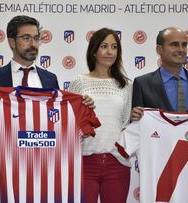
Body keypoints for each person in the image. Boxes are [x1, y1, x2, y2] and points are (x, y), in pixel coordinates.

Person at [0, 15, 94, 185]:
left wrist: (82, 105)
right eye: (26, 38)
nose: (33, 44)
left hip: (44, 167)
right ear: (12, 42)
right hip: (4, 166)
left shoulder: (50, 79)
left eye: (36, 38)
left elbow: (57, 119)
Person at [69, 28, 132, 203]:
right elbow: (69, 122)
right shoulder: (78, 82)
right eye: (104, 46)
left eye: (114, 47)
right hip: (84, 161)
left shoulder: (126, 85)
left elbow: (126, 123)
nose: (109, 52)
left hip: (117, 163)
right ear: (94, 51)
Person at [130, 27, 188, 133]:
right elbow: (135, 129)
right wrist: (134, 118)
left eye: (184, 45)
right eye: (174, 44)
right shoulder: (142, 83)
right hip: (158, 149)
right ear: (159, 49)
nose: (181, 50)